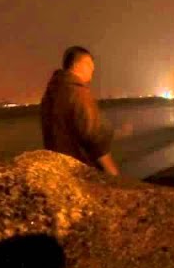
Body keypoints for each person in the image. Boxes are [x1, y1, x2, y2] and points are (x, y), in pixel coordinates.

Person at [40, 46, 120, 176]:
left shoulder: (51, 93)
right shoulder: (78, 93)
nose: (91, 73)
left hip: (58, 169)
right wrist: (112, 172)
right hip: (79, 170)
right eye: (90, 67)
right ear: (79, 65)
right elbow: (94, 137)